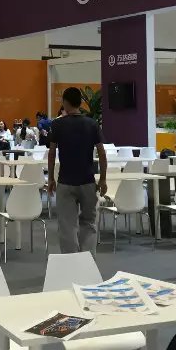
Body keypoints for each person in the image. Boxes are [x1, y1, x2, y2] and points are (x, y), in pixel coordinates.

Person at [48, 87, 106, 254]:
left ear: (65, 102)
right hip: (88, 181)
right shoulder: (92, 124)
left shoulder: (57, 124)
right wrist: (102, 179)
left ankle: (71, 262)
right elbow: (102, 153)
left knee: (67, 226)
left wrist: (51, 178)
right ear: (80, 103)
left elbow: (52, 153)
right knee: (89, 223)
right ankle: (88, 260)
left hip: (65, 182)